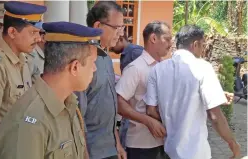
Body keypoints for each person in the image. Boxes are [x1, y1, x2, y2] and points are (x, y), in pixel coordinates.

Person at [0, 21, 102, 159]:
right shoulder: (30, 122)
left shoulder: (69, 104)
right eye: (92, 63)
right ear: (74, 67)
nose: (94, 69)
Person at [144, 25, 240, 159]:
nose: (203, 50)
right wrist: (232, 143)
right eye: (202, 46)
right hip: (196, 153)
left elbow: (151, 110)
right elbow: (215, 116)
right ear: (195, 44)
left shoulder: (157, 70)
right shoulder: (203, 67)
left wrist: (172, 120)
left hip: (169, 150)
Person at [0, 1, 46, 157]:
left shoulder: (23, 60)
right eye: (33, 33)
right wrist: (5, 153)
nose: (38, 39)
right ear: (12, 32)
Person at [75, 1, 126, 159]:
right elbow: (77, 117)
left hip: (109, 148)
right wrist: (85, 154)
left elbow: (109, 108)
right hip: (92, 151)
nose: (121, 33)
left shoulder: (105, 58)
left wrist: (117, 143)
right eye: (117, 28)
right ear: (98, 26)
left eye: (122, 28)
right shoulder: (82, 60)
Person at [116, 21, 172, 159]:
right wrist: (148, 121)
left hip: (165, 141)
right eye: (167, 39)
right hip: (141, 145)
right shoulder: (136, 68)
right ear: (153, 38)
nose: (170, 44)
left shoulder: (165, 67)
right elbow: (119, 103)